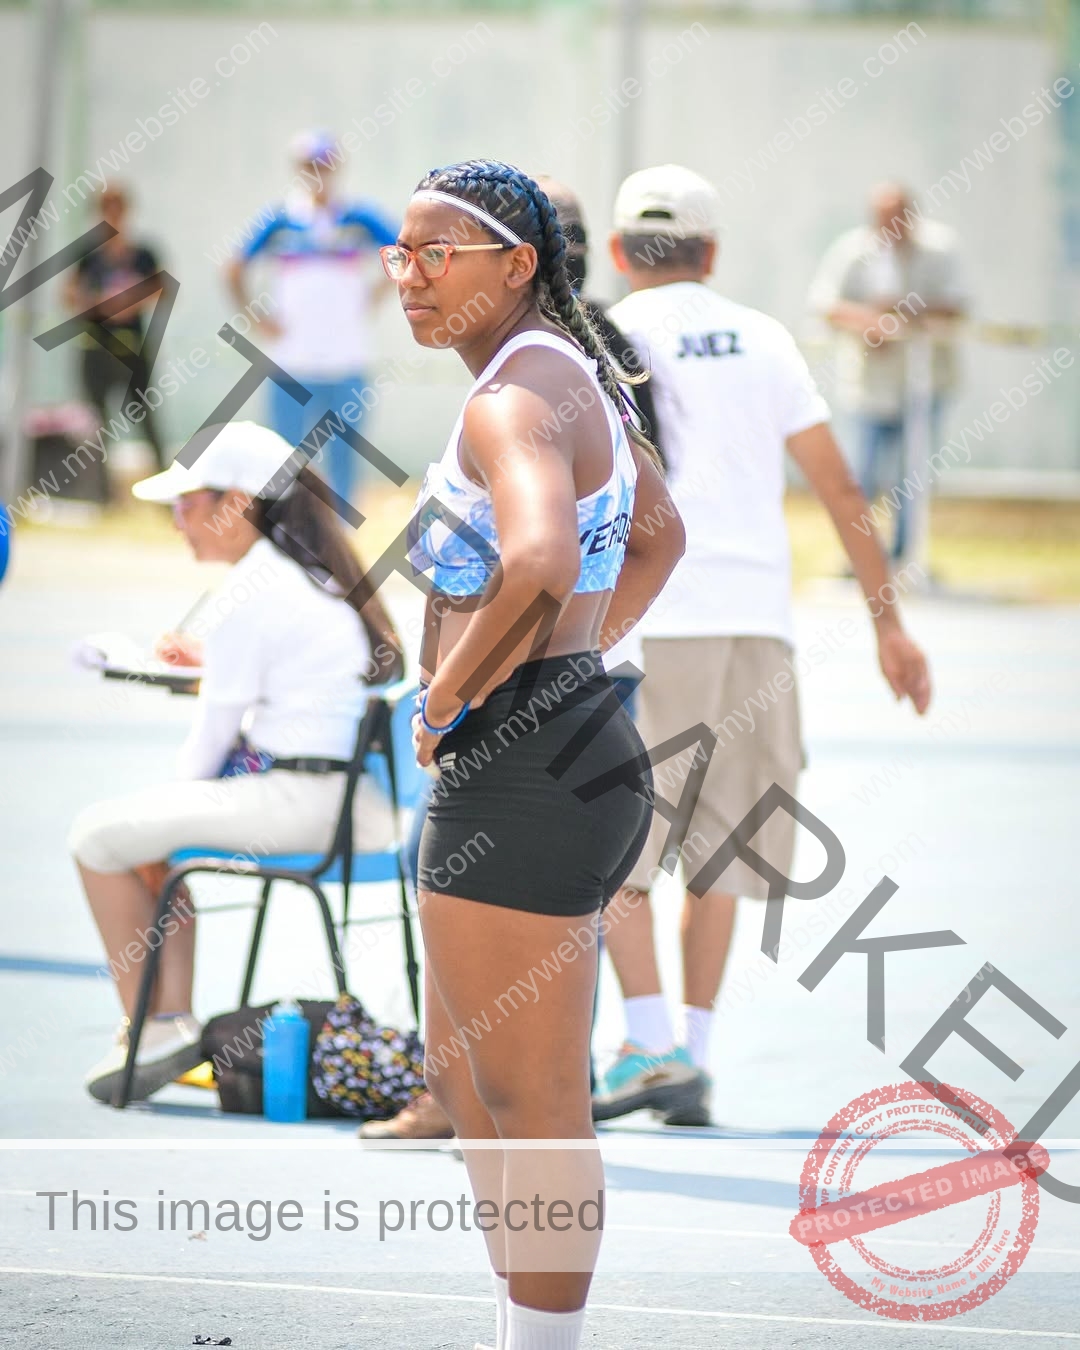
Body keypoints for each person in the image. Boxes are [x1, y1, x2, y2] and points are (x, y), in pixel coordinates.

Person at [381, 159, 683, 1350]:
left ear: (515, 265)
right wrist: (571, 664)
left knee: (532, 1101)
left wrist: (452, 696)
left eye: (435, 254)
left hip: (522, 761)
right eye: (399, 253)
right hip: (561, 737)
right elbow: (659, 538)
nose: (409, 276)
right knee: (478, 1086)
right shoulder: (560, 371)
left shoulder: (513, 395)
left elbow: (544, 560)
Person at [593, 164, 932, 1128]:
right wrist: (889, 625)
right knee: (723, 853)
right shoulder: (765, 336)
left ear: (618, 250)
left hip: (649, 626)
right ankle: (693, 1058)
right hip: (757, 627)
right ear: (712, 251)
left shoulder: (600, 338)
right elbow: (841, 490)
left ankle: (647, 1042)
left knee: (616, 851)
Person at [68, 421, 402, 1104]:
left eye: (187, 504)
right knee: (144, 837)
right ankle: (164, 1023)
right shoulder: (302, 577)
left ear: (237, 504)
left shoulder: (255, 588)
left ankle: (156, 1024)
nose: (177, 522)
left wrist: (167, 808)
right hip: (340, 800)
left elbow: (209, 746)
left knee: (98, 837)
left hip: (303, 805)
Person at [225, 131, 397, 506]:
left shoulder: (358, 217)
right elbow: (234, 268)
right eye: (309, 165)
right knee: (285, 456)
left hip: (348, 357)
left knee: (344, 457)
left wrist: (377, 294)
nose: (318, 172)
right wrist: (256, 318)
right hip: (292, 360)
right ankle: (288, 527)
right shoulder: (281, 219)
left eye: (324, 163)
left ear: (337, 166)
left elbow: (403, 251)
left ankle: (340, 531)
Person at [808, 183, 968, 558]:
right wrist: (872, 323)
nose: (891, 225)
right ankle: (859, 557)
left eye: (898, 216)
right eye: (883, 217)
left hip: (925, 385)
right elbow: (825, 304)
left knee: (913, 478)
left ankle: (906, 557)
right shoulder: (853, 251)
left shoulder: (939, 249)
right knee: (859, 475)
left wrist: (902, 315)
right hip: (868, 386)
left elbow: (957, 304)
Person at [63, 185, 167, 472]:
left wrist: (131, 300)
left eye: (117, 209)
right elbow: (68, 294)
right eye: (106, 209)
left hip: (132, 348)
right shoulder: (88, 255)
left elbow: (162, 289)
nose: (112, 215)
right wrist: (100, 302)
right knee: (95, 419)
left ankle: (163, 479)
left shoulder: (143, 253)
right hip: (96, 347)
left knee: (144, 413)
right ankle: (98, 485)